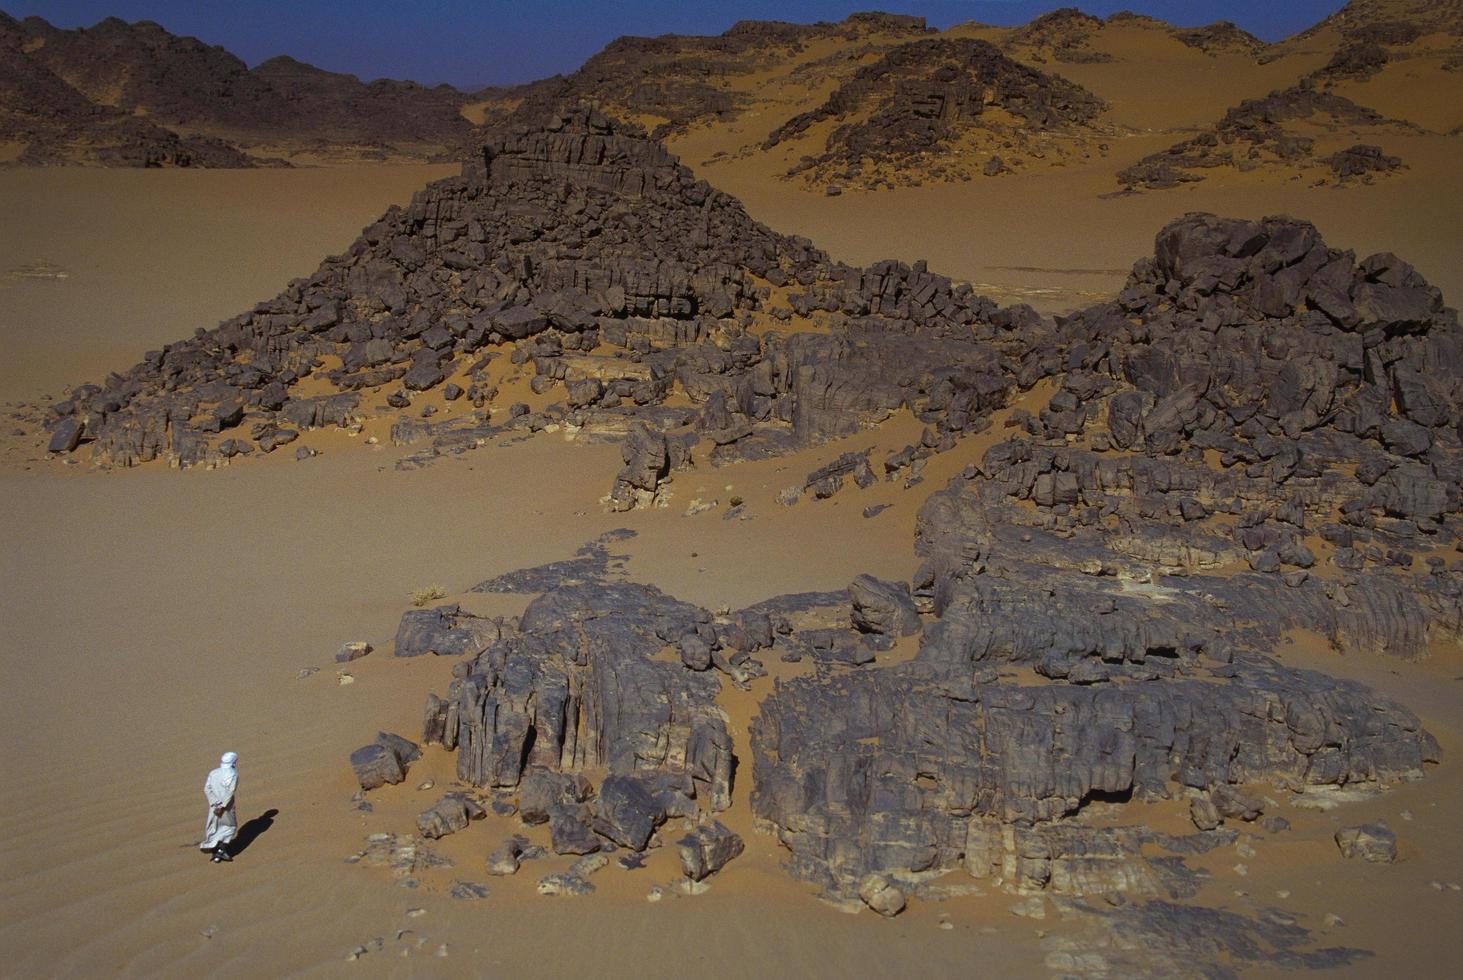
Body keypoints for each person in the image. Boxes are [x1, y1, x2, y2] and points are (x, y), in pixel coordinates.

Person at [200, 751, 239, 863]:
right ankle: (221, 851)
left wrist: (215, 803)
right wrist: (222, 806)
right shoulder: (233, 774)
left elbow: (207, 789)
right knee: (229, 827)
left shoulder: (214, 772)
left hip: (214, 806)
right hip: (226, 807)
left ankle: (215, 849)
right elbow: (230, 792)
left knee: (215, 827)